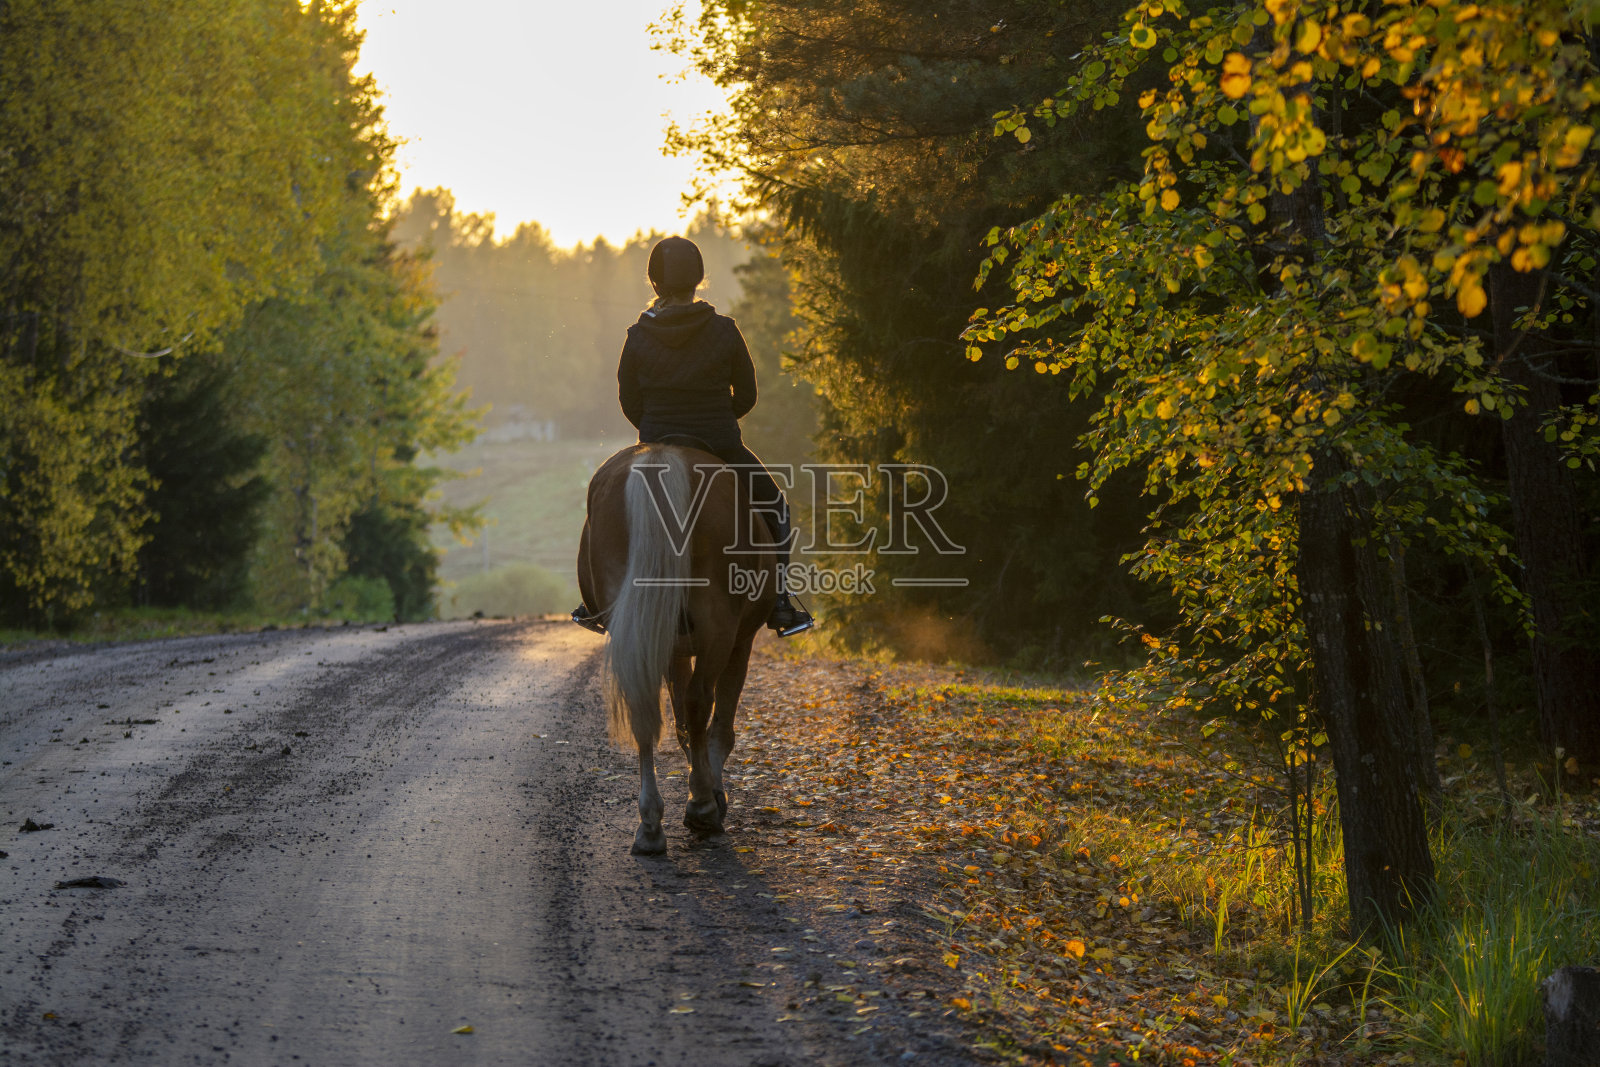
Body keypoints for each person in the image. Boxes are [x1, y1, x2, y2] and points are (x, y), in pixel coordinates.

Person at [573, 236, 814, 637]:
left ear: (654, 282)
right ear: (699, 280)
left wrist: (655, 428)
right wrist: (718, 419)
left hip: (656, 442)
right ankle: (781, 601)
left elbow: (628, 400)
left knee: (601, 500)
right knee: (776, 508)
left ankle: (595, 602)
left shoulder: (637, 335)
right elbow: (748, 394)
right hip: (720, 443)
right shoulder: (725, 330)